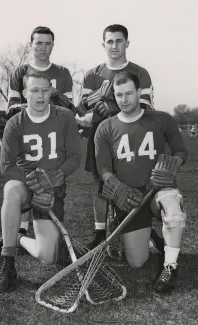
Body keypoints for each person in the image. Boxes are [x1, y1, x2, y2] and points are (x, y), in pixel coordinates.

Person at [94, 71, 188, 292]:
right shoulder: (105, 127)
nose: (124, 100)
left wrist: (173, 163)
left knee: (173, 211)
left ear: (139, 92)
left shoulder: (161, 119)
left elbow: (181, 150)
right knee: (136, 262)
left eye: (128, 93)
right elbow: (103, 168)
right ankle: (152, 235)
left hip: (158, 188)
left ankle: (170, 266)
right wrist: (115, 185)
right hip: (129, 196)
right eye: (118, 95)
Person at [0, 71, 81, 292]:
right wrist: (35, 184)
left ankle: (17, 238)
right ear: (24, 93)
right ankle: (8, 265)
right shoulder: (15, 122)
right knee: (11, 189)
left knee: (48, 256)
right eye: (34, 90)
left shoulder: (65, 117)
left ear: (51, 92)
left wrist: (55, 177)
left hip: (52, 190)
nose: (40, 95)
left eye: (44, 90)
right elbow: (7, 166)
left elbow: (75, 157)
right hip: (26, 185)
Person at [0, 26, 76, 252]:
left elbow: (70, 109)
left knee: (51, 250)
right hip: (28, 134)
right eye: (39, 43)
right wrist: (36, 105)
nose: (43, 48)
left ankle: (27, 233)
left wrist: (53, 103)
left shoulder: (62, 73)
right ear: (31, 45)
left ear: (53, 46)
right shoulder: (20, 73)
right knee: (23, 179)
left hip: (53, 137)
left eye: (48, 43)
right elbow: (12, 110)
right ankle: (17, 234)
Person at [76, 24, 161, 250]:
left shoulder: (140, 72)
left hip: (132, 134)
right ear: (103, 44)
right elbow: (82, 108)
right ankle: (99, 234)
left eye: (119, 41)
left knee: (136, 182)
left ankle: (147, 229)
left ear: (127, 43)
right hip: (100, 134)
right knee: (100, 184)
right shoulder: (92, 74)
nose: (114, 46)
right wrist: (98, 98)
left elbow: (146, 107)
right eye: (110, 41)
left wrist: (113, 107)